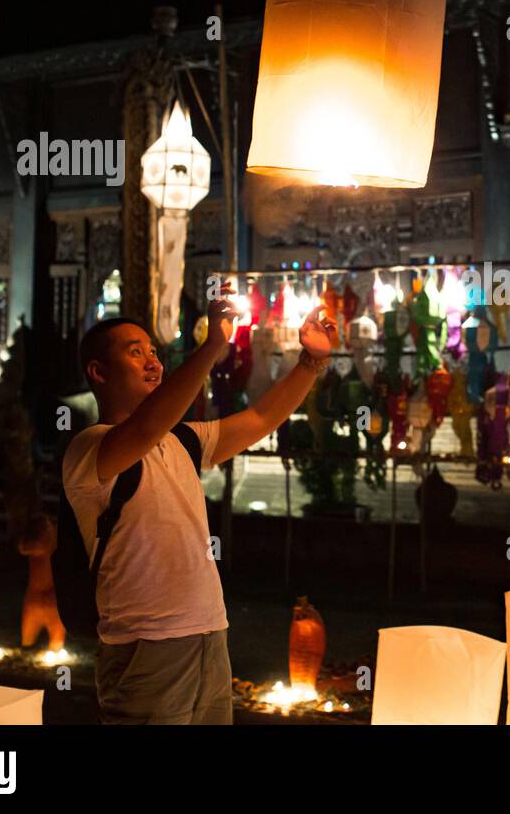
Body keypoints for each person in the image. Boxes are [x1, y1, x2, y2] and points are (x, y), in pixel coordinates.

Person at [63, 288, 334, 723]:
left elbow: (262, 418)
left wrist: (311, 362)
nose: (153, 362)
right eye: (136, 354)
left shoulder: (184, 439)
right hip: (144, 648)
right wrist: (213, 345)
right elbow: (149, 425)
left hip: (210, 632)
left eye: (154, 352)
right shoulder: (89, 449)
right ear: (98, 372)